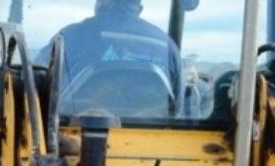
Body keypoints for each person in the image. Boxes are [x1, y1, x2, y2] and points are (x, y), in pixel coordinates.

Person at [38, 0, 182, 111]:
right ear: (139, 9)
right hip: (154, 139)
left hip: (76, 134)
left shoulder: (68, 37)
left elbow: (36, 79)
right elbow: (177, 108)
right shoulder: (168, 47)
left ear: (100, 3)